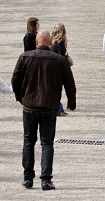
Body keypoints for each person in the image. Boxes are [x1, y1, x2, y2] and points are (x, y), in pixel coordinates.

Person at [12, 30, 76, 191]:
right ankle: (46, 179)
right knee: (47, 143)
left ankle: (28, 178)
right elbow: (70, 82)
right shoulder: (59, 60)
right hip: (49, 105)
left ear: (36, 43)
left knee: (28, 141)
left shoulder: (25, 57)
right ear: (51, 43)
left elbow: (15, 79)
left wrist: (21, 97)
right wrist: (71, 101)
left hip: (29, 105)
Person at [49, 23, 70, 116]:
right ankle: (58, 109)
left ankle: (59, 108)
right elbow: (61, 57)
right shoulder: (60, 42)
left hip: (52, 67)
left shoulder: (51, 41)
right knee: (57, 89)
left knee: (55, 89)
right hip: (58, 69)